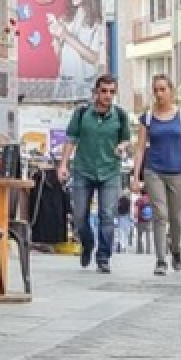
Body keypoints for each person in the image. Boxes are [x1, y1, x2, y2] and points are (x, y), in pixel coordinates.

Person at [57, 75, 130, 273]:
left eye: (111, 92)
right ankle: (87, 244)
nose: (107, 95)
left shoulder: (121, 116)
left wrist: (122, 147)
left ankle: (103, 256)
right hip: (83, 170)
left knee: (107, 215)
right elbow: (71, 139)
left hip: (110, 172)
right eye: (104, 91)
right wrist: (63, 164)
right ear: (96, 92)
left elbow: (126, 139)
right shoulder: (82, 113)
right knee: (80, 216)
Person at [130, 74, 181, 275]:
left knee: (176, 217)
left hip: (177, 170)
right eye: (156, 90)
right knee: (160, 214)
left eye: (163, 89)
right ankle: (160, 260)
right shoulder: (147, 118)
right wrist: (135, 176)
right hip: (153, 170)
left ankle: (176, 250)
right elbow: (140, 148)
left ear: (171, 91)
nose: (159, 94)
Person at [46, 0, 106, 99]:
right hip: (64, 86)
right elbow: (62, 58)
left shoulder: (97, 22)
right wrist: (56, 37)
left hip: (85, 88)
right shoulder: (66, 19)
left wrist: (66, 36)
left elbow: (94, 57)